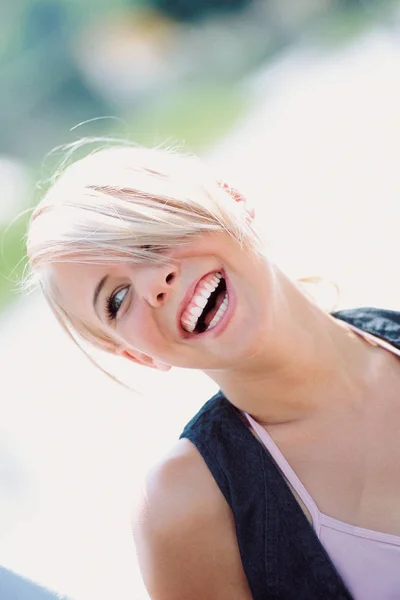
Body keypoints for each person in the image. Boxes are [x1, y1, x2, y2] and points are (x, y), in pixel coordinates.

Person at [25, 144, 400, 600]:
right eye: (117, 300)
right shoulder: (184, 507)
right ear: (133, 355)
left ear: (232, 198)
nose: (153, 282)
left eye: (152, 235)